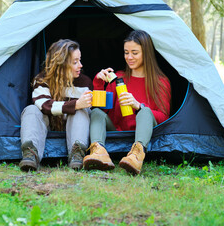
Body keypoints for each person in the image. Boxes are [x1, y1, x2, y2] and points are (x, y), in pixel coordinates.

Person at [83, 30, 171, 175]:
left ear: (146, 53)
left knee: (145, 111)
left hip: (145, 132)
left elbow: (164, 117)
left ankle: (137, 155)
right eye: (126, 52)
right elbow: (103, 110)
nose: (129, 57)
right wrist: (98, 83)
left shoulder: (160, 82)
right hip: (117, 130)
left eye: (135, 53)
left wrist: (138, 106)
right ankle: (98, 151)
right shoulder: (118, 77)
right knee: (96, 112)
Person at [19, 39, 93, 171]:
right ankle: (30, 154)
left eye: (80, 60)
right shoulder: (41, 80)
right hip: (48, 126)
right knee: (31, 109)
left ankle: (77, 154)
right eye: (75, 62)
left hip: (75, 129)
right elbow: (44, 105)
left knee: (83, 111)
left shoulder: (85, 82)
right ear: (61, 64)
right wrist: (75, 104)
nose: (80, 65)